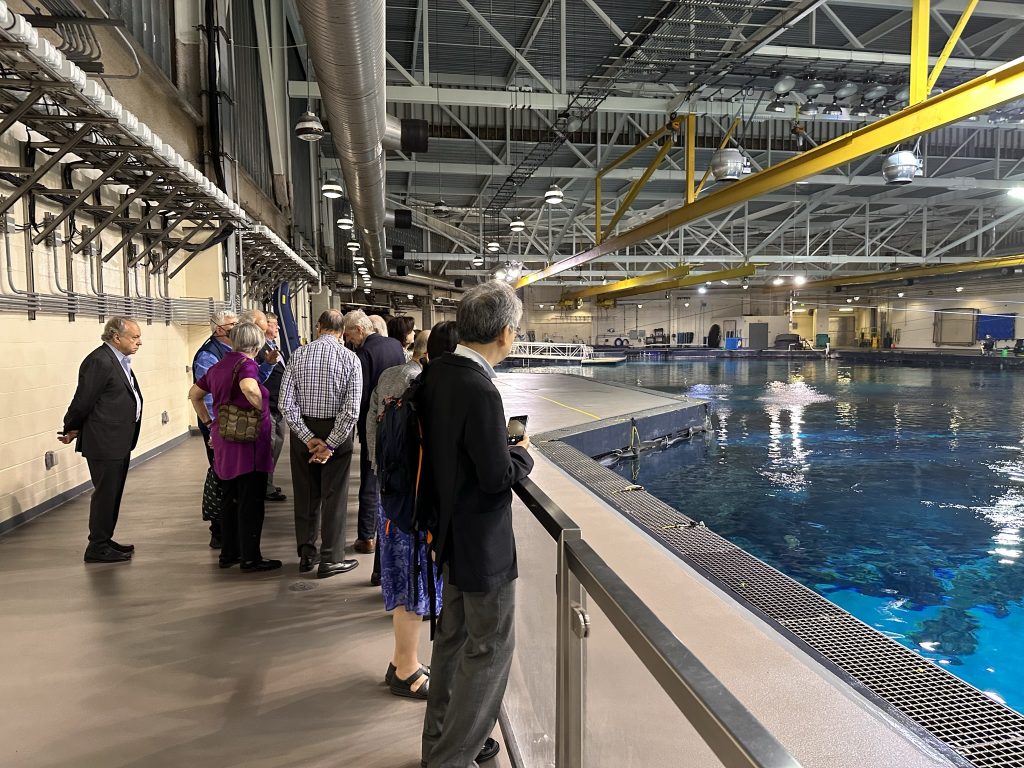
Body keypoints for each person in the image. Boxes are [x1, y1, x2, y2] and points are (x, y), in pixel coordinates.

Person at [419, 281, 533, 768]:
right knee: (489, 651)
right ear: (505, 332)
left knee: (451, 643)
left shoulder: (437, 372)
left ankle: (436, 746)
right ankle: (451, 759)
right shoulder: (480, 389)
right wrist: (521, 455)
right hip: (483, 546)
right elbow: (495, 477)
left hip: (447, 534)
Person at [366, 330, 443, 699]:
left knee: (402, 579)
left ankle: (401, 660)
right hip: (412, 502)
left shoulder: (388, 377)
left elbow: (371, 423)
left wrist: (380, 472)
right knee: (413, 586)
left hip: (392, 491)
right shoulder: (422, 389)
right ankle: (406, 670)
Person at [188, 322, 281, 572]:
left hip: (224, 439)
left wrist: (209, 423)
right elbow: (248, 387)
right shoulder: (247, 365)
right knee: (251, 500)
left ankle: (229, 553)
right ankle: (251, 557)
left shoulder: (219, 365)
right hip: (249, 443)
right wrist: (261, 407)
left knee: (229, 498)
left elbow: (194, 394)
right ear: (257, 344)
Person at [280, 309, 363, 578]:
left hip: (304, 431)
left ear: (318, 327)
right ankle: (331, 559)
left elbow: (285, 404)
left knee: (305, 493)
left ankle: (306, 554)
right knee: (334, 496)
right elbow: (351, 410)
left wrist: (306, 437)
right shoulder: (350, 359)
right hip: (336, 431)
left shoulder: (298, 355)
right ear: (342, 332)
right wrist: (331, 444)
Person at [59, 317, 144, 563]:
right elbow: (83, 399)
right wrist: (71, 426)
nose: (139, 342)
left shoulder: (118, 360)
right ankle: (97, 546)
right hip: (105, 440)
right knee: (106, 494)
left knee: (113, 493)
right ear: (116, 337)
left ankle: (104, 539)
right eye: (134, 337)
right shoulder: (100, 361)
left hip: (119, 439)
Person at [343, 309, 406, 555]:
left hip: (373, 424)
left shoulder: (363, 354)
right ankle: (391, 530)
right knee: (394, 477)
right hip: (397, 421)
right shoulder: (395, 346)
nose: (349, 340)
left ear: (360, 330)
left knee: (370, 479)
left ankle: (367, 536)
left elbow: (361, 394)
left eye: (350, 335)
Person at [193, 310, 237, 548]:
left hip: (231, 425)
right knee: (220, 475)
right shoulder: (208, 355)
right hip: (218, 427)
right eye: (232, 324)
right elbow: (206, 396)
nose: (236, 327)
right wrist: (213, 428)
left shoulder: (231, 351)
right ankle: (219, 531)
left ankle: (230, 526)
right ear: (219, 329)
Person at [260, 312, 287, 502]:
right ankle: (264, 486)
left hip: (278, 404)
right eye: (273, 324)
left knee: (276, 445)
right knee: (268, 447)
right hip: (268, 404)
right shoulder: (259, 349)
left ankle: (268, 482)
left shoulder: (274, 346)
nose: (277, 327)